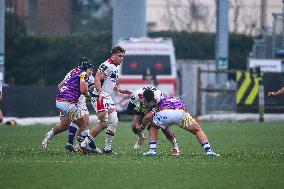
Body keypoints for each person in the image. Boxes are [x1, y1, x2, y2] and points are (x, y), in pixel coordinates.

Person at [80, 46, 132, 154]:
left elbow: (110, 81)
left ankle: (107, 148)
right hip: (100, 96)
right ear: (113, 55)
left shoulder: (115, 67)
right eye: (119, 56)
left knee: (114, 121)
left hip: (107, 96)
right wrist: (100, 93)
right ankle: (83, 145)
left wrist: (120, 90)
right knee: (103, 122)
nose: (121, 58)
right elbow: (97, 79)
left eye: (122, 56)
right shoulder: (106, 65)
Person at [42, 57, 98, 153]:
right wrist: (86, 94)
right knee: (83, 125)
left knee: (68, 124)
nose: (92, 71)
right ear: (84, 67)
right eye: (90, 69)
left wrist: (66, 94)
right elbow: (84, 90)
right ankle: (91, 148)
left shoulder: (73, 72)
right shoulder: (84, 74)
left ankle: (70, 143)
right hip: (71, 102)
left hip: (60, 100)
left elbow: (60, 86)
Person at [136, 97, 220, 157]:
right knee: (197, 130)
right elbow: (185, 109)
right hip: (180, 113)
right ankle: (209, 151)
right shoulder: (177, 99)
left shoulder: (160, 101)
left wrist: (142, 127)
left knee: (153, 126)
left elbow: (148, 117)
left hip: (165, 113)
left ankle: (152, 150)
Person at [126, 87, 180, 155]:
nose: (146, 103)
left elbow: (158, 110)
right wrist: (139, 111)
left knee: (164, 127)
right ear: (142, 97)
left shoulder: (158, 99)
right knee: (134, 126)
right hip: (142, 108)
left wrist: (149, 119)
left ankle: (175, 146)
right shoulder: (136, 95)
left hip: (157, 107)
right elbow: (128, 110)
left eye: (148, 102)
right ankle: (141, 138)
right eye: (145, 101)